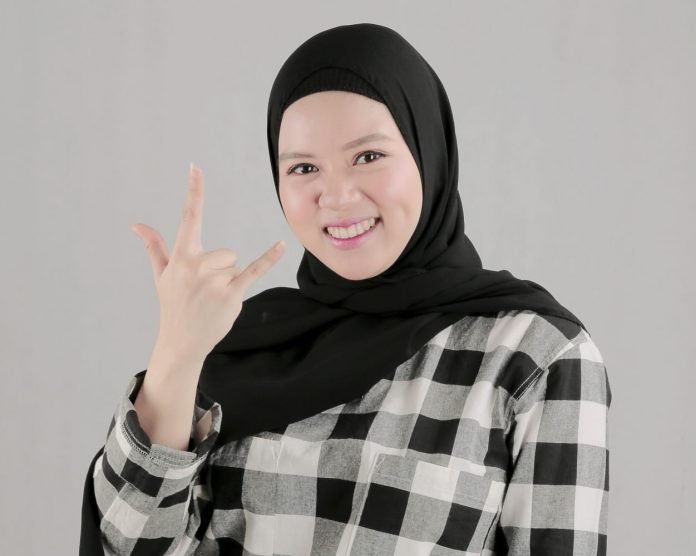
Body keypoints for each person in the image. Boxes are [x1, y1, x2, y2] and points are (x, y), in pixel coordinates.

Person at [80, 22, 611, 555]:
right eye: (304, 167)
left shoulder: (532, 357)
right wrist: (176, 351)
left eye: (368, 156)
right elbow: (126, 548)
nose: (335, 196)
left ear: (427, 152)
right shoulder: (232, 344)